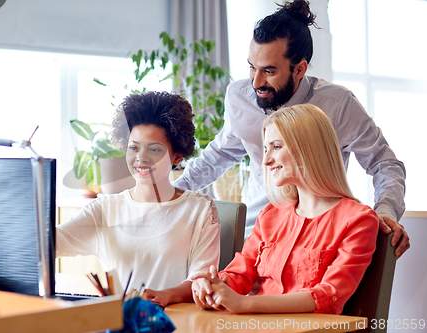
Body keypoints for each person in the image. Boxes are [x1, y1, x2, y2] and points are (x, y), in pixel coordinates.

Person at [174, 0, 409, 257]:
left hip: (318, 240)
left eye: (269, 71)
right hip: (257, 238)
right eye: (252, 67)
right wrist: (170, 195)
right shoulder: (238, 97)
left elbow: (385, 163)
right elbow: (218, 155)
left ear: (300, 68)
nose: (256, 81)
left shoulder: (338, 105)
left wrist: (385, 211)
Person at [191, 103, 379, 315]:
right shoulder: (270, 215)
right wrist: (214, 288)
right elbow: (239, 274)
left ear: (307, 148)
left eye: (276, 147)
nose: (266, 160)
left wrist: (245, 304)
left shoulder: (358, 220)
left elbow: (330, 293)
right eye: (265, 149)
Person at [56, 91, 220, 306]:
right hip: (118, 323)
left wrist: (166, 295)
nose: (141, 158)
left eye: (154, 149)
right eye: (134, 147)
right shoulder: (104, 209)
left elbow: (202, 280)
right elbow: (50, 244)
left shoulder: (199, 210)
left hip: (176, 322)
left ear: (177, 156)